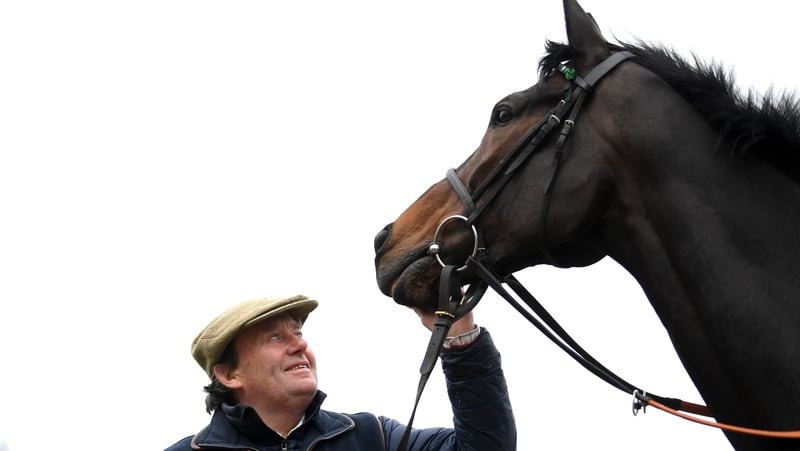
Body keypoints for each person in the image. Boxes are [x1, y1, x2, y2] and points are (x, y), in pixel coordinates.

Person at [165, 294, 516, 450]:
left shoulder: (371, 436)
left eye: (298, 333)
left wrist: (460, 340)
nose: (299, 345)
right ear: (229, 375)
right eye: (275, 337)